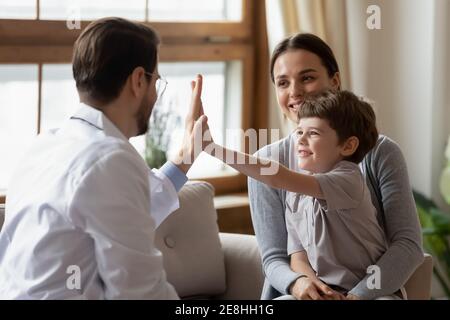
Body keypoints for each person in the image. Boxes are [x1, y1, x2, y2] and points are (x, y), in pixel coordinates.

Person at [0, 17, 207, 299]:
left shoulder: (44, 146)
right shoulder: (111, 159)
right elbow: (141, 293)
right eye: (155, 80)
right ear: (137, 80)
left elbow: (125, 209)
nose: (156, 93)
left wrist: (188, 153)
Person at [247, 33, 424, 300]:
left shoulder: (382, 153)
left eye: (307, 78)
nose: (294, 91)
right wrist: (300, 285)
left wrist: (358, 294)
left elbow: (408, 244)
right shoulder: (266, 162)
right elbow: (274, 257)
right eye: (283, 83)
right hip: (300, 293)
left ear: (335, 81)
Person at [204, 89, 403, 299]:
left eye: (314, 133)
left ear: (348, 145)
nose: (300, 139)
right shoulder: (296, 193)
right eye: (299, 131)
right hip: (328, 291)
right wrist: (316, 289)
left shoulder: (348, 179)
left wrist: (213, 149)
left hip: (372, 292)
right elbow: (298, 257)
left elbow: (276, 176)